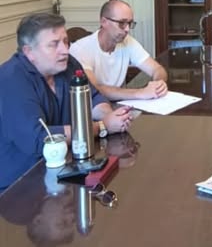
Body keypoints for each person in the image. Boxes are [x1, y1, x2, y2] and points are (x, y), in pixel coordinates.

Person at [0, 13, 134, 192]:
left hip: (65, 169)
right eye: (54, 44)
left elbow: (94, 97)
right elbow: (39, 138)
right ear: (29, 52)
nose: (64, 50)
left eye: (65, 41)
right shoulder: (11, 79)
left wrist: (111, 116)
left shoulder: (68, 64)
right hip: (19, 185)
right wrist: (102, 126)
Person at [70, 0, 168, 101]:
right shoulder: (80, 49)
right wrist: (140, 93)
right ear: (104, 22)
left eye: (129, 23)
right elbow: (95, 89)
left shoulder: (128, 41)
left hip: (120, 104)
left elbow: (157, 69)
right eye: (122, 23)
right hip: (95, 107)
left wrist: (158, 84)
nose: (127, 29)